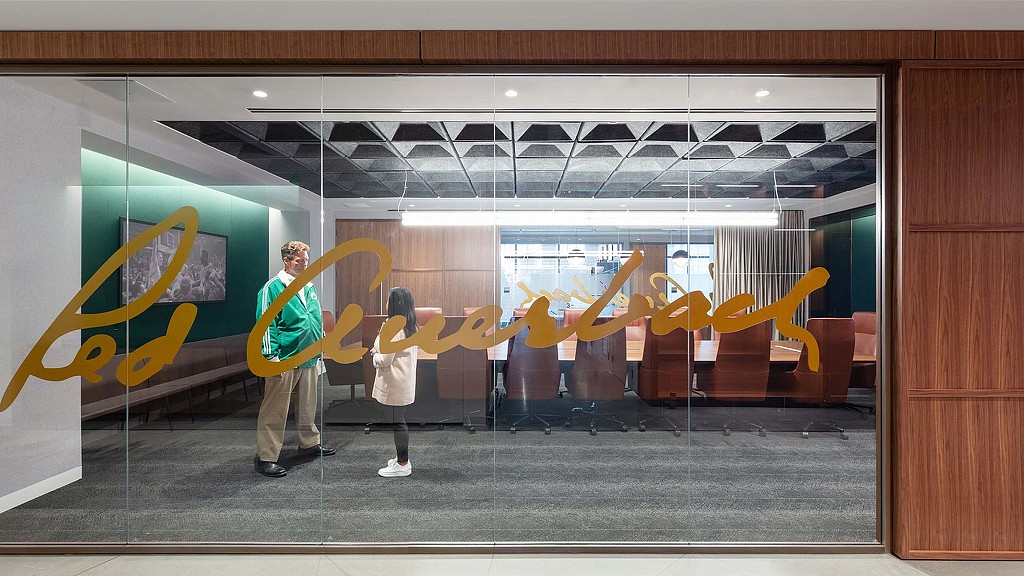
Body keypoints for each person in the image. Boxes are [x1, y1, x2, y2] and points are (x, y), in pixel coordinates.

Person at [253, 240, 335, 478]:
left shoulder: (308, 287)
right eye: (299, 261)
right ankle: (267, 456)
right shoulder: (273, 288)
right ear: (286, 261)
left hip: (308, 356)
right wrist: (271, 356)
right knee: (275, 409)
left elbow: (314, 317)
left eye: (306, 261)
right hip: (284, 357)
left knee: (307, 407)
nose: (303, 264)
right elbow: (266, 324)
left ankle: (309, 443)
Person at [370, 287, 419, 478]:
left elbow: (385, 359)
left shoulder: (394, 327)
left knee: (397, 422)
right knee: (398, 420)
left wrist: (375, 355)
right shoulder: (410, 324)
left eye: (389, 300)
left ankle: (402, 463)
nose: (386, 303)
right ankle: (401, 459)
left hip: (394, 382)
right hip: (403, 380)